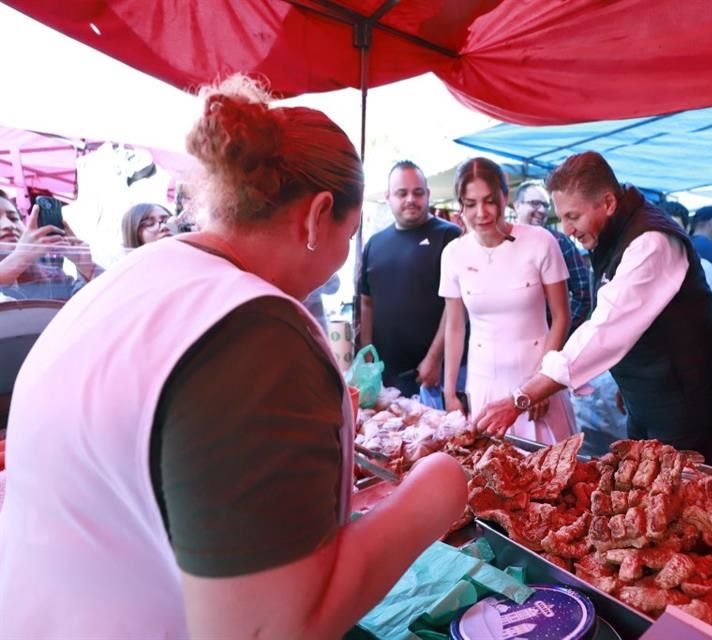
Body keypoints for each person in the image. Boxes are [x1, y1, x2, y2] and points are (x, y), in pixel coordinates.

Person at [0, 75, 467, 638]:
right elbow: (269, 628)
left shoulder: (127, 282)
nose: (344, 260)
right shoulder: (254, 333)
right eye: (349, 236)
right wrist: (437, 489)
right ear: (318, 216)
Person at [476, 151, 712, 462]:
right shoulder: (614, 232)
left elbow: (606, 327)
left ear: (608, 203)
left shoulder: (651, 242)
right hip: (645, 394)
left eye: (573, 216)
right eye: (562, 218)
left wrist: (523, 396)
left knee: (679, 497)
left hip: (681, 403)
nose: (567, 230)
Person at [440, 158, 576, 444]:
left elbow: (561, 316)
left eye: (490, 200)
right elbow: (455, 327)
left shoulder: (541, 242)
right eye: (470, 203)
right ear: (460, 205)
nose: (481, 212)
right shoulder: (453, 254)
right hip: (483, 382)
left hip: (536, 376)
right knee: (492, 474)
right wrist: (450, 391)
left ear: (505, 197)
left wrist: (540, 384)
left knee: (550, 475)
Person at [359, 161, 463, 401]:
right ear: (388, 197)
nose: (410, 199)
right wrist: (367, 354)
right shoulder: (375, 243)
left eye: (418, 192)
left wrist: (435, 358)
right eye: (401, 193)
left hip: (434, 376)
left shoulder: (449, 236)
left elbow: (456, 306)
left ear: (427, 194)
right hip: (385, 377)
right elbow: (367, 303)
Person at [514, 180, 593, 334]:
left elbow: (584, 294)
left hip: (548, 340)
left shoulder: (560, 242)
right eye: (535, 203)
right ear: (517, 206)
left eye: (545, 205)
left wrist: (558, 332)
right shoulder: (501, 242)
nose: (542, 210)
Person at [0, 193, 100, 300]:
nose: (8, 225)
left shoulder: (55, 279)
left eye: (13, 218)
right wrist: (18, 258)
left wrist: (86, 269)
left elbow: (95, 307)